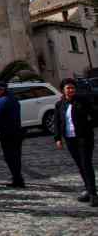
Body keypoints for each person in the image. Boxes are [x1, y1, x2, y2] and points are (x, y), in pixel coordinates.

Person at [54, 77, 97, 206]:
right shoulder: (60, 104)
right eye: (68, 88)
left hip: (84, 138)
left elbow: (94, 115)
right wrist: (57, 138)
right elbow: (57, 122)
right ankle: (88, 190)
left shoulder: (82, 101)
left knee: (86, 164)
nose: (71, 90)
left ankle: (93, 194)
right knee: (80, 165)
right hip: (70, 138)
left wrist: (88, 125)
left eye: (73, 88)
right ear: (63, 90)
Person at [0, 81, 25, 188]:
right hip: (17, 131)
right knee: (17, 156)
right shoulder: (13, 99)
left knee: (10, 157)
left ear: (3, 90)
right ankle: (18, 177)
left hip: (7, 133)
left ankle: (17, 179)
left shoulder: (2, 101)